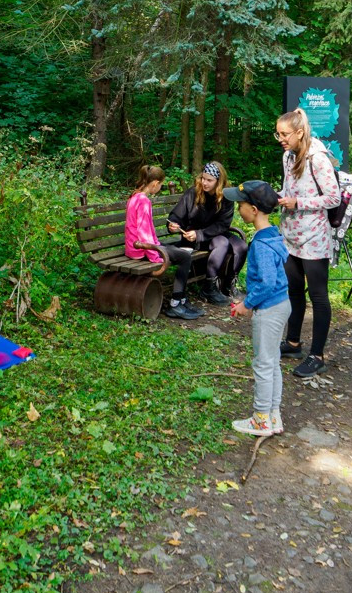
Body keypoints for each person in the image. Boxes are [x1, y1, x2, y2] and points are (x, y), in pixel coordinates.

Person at [275, 107, 341, 379]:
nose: (280, 139)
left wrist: (299, 203)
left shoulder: (318, 158)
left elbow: (333, 198)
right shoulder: (287, 156)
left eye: (284, 134)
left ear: (300, 132)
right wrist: (276, 196)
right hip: (291, 235)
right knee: (293, 291)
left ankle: (317, 356)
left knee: (318, 296)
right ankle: (293, 343)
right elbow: (289, 190)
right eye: (278, 134)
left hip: (314, 238)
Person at [224, 180, 291, 437]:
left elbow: (266, 283)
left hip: (269, 309)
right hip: (281, 304)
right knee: (272, 361)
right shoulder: (273, 234)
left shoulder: (261, 245)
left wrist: (246, 304)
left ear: (253, 210)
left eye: (240, 204)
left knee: (263, 364)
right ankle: (273, 415)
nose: (238, 208)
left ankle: (261, 420)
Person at [123, 165, 203, 320]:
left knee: (177, 250)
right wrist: (156, 255)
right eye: (161, 184)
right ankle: (176, 303)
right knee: (185, 257)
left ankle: (182, 299)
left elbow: (143, 230)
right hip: (141, 250)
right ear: (155, 183)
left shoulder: (135, 196)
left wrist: (159, 246)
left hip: (135, 248)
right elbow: (144, 233)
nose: (160, 187)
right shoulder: (144, 201)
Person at [167, 162, 248, 304]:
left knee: (241, 246)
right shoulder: (192, 193)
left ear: (219, 181)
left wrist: (201, 233)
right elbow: (176, 216)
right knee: (222, 243)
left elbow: (223, 225)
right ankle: (209, 288)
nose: (204, 183)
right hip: (193, 238)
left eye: (209, 180)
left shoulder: (226, 196)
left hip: (214, 232)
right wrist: (173, 224)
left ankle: (228, 286)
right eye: (203, 178)